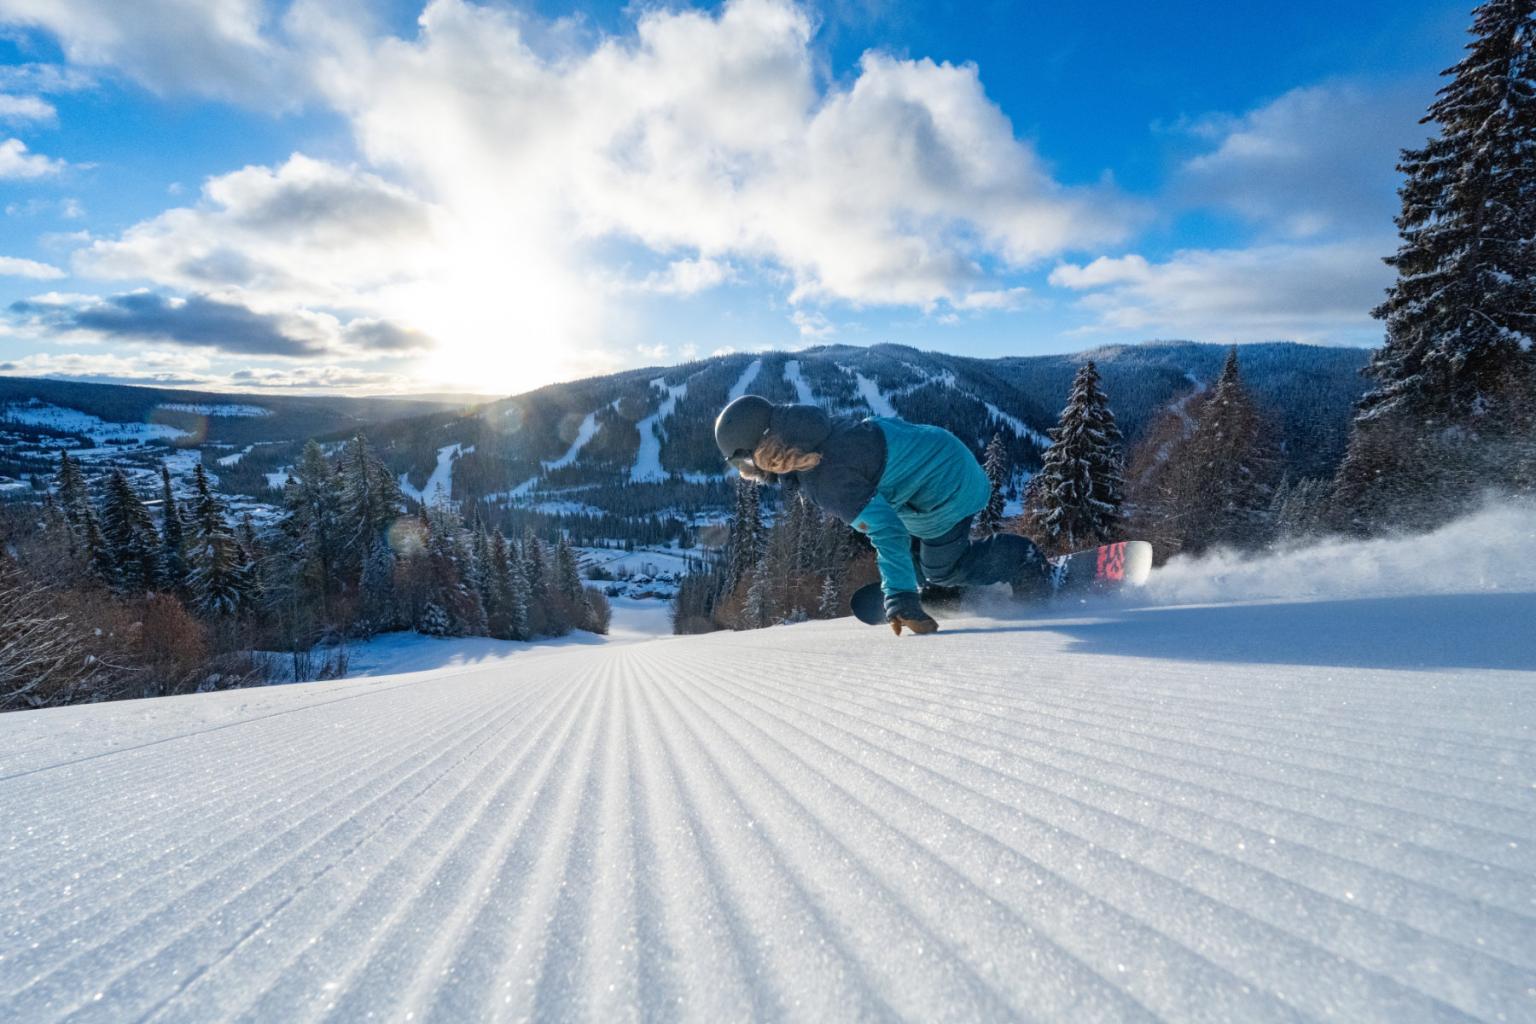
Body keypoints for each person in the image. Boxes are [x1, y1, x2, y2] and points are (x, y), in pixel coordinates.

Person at [715, 394, 1050, 634]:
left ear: (764, 449)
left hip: (946, 485)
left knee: (944, 567)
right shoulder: (811, 436)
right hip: (930, 466)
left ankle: (1023, 560)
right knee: (913, 549)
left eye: (744, 463)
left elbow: (887, 529)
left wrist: (901, 597)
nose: (748, 473)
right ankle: (928, 577)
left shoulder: (825, 477)